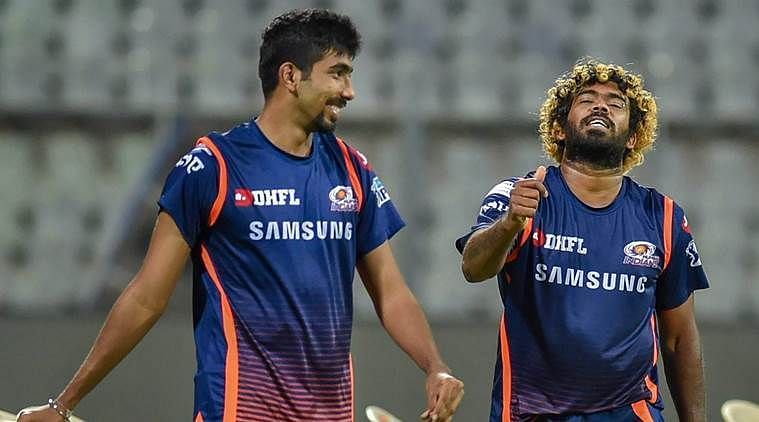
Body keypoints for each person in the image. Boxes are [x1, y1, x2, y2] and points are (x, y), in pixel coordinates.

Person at [19, 9, 463, 422]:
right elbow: (146, 297)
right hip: (238, 408)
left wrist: (435, 366)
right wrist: (63, 404)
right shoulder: (212, 166)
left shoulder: (352, 169)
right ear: (290, 76)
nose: (349, 91)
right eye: (338, 74)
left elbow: (391, 293)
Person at [456, 58, 708, 421]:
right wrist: (510, 222)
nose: (601, 105)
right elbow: (473, 267)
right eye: (587, 99)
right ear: (559, 128)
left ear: (633, 136)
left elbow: (680, 339)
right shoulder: (520, 195)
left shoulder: (664, 217)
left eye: (616, 103)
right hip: (533, 414)